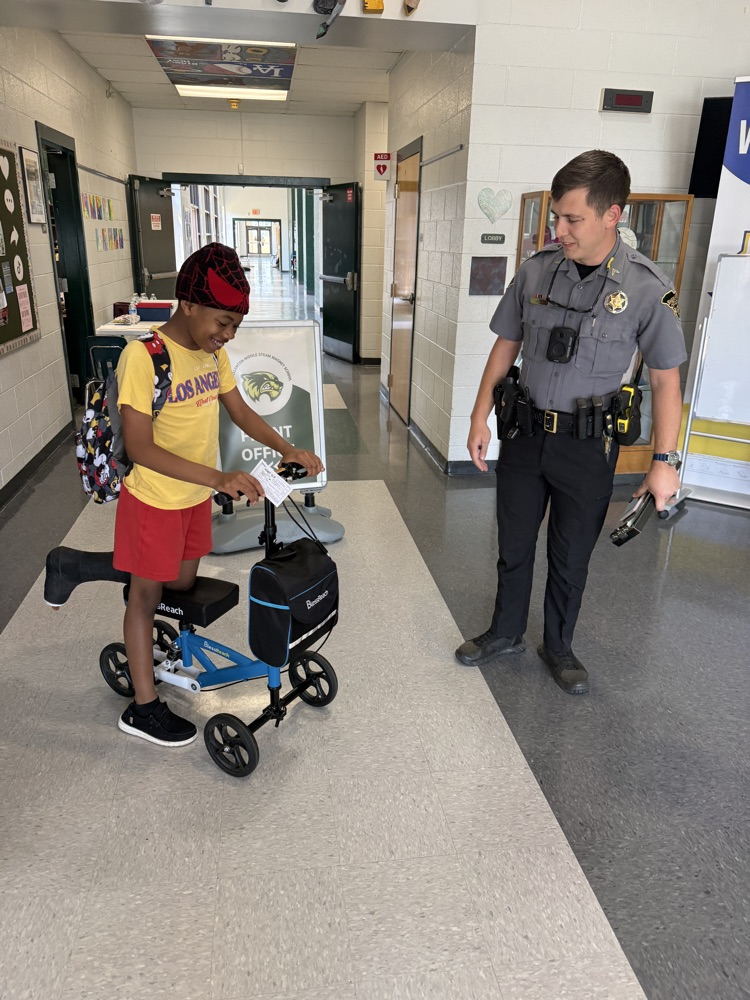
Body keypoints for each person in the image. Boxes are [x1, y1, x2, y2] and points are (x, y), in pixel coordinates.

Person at [45, 243, 324, 744]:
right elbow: (140, 447)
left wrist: (288, 447)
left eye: (236, 325)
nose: (229, 334)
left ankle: (80, 565)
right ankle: (143, 709)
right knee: (147, 596)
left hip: (192, 498)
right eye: (224, 322)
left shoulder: (211, 354)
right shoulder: (143, 357)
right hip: (153, 499)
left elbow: (240, 410)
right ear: (189, 304)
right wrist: (217, 478)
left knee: (179, 579)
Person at [455, 150, 685, 695]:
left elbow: (665, 382)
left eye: (572, 219)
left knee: (570, 554)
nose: (558, 230)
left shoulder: (647, 287)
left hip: (587, 445)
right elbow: (505, 345)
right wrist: (479, 414)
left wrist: (663, 461)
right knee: (513, 544)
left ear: (612, 215)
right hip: (524, 432)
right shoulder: (537, 270)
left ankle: (558, 645)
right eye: (556, 216)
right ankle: (505, 631)